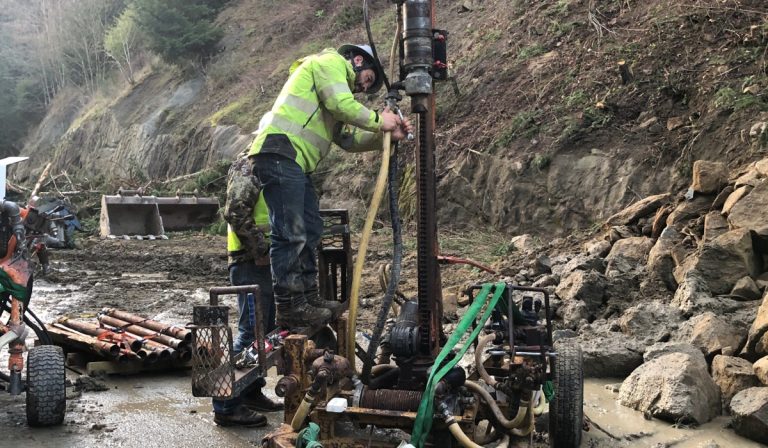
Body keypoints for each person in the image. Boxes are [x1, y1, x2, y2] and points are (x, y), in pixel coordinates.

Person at [249, 44, 413, 328]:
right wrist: (379, 121)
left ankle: (308, 296)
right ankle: (290, 305)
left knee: (311, 229)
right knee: (290, 233)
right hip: (280, 151)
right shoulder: (329, 63)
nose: (365, 87)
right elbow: (342, 105)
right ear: (359, 60)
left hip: (295, 161)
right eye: (369, 79)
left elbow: (348, 140)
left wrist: (388, 136)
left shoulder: (337, 91)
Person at [212, 153, 284, 427]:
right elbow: (235, 210)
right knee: (251, 333)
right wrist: (260, 249)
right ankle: (226, 405)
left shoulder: (270, 162)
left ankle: (250, 390)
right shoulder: (250, 164)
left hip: (263, 262)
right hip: (250, 260)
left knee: (263, 332)